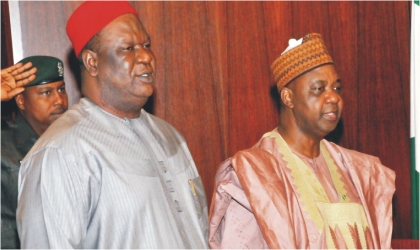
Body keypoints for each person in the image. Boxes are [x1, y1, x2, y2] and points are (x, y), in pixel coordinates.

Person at [17, 1, 208, 248]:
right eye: (128, 48)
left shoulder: (171, 137)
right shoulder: (60, 152)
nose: (146, 57)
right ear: (92, 62)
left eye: (147, 45)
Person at [208, 33, 395, 249]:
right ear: (288, 98)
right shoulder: (253, 173)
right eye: (319, 89)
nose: (334, 97)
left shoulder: (363, 172)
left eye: (336, 88)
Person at [2, 55, 68, 249]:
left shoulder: (77, 141)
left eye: (61, 89)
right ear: (21, 101)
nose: (59, 100)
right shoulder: (3, 144)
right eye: (46, 92)